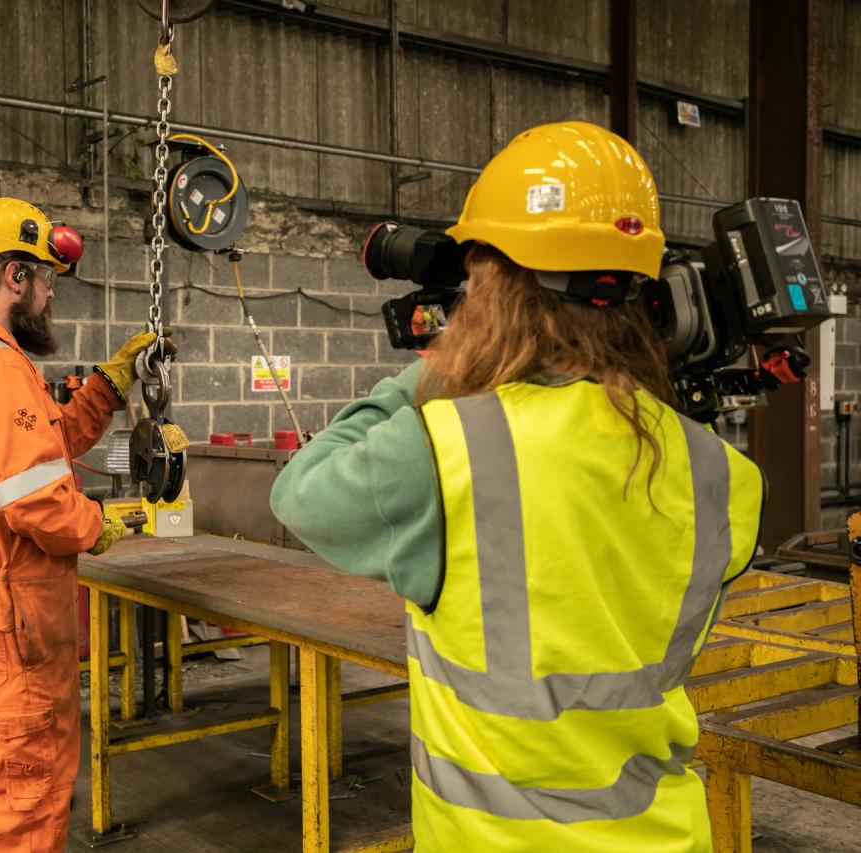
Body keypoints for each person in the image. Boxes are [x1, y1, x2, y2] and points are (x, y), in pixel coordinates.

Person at [270, 122, 764, 851]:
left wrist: (436, 369)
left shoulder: (443, 447)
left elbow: (299, 491)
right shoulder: (722, 474)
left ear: (497, 291)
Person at [0, 197, 173, 851]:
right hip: (2, 614)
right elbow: (36, 503)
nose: (51, 294)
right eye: (47, 279)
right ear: (14, 277)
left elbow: (38, 450)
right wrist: (97, 523)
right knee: (21, 804)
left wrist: (108, 386)